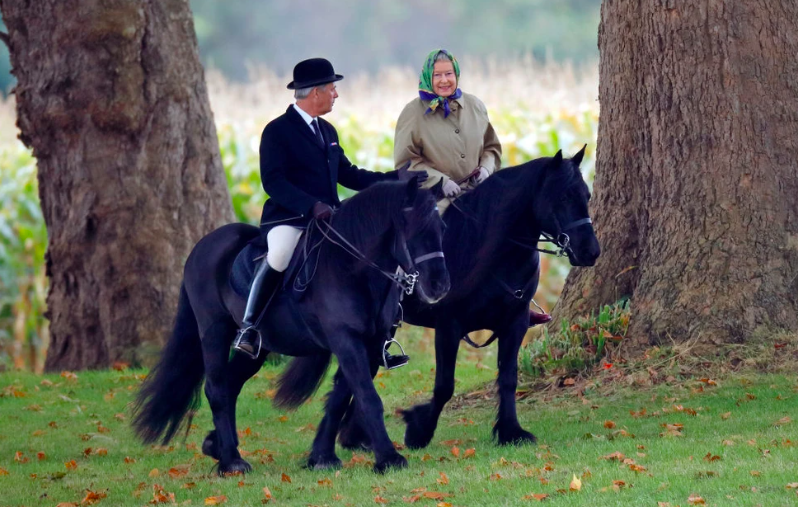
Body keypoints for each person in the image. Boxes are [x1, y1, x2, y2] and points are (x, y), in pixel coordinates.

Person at [234, 58, 427, 359]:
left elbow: (349, 174)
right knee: (280, 254)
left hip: (329, 219)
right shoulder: (277, 131)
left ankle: (382, 336)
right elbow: (273, 182)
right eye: (332, 89)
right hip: (290, 219)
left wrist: (395, 180)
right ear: (315, 93)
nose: (336, 94)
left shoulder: (328, 131)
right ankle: (249, 327)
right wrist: (311, 205)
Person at [393, 49, 551, 327]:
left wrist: (488, 169)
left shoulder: (475, 106)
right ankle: (399, 301)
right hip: (432, 196)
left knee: (511, 230)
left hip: (479, 193)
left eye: (449, 74)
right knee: (430, 237)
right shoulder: (412, 113)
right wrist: (441, 181)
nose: (444, 80)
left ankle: (518, 303)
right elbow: (406, 161)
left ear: (457, 75)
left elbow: (491, 147)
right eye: (438, 75)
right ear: (428, 76)